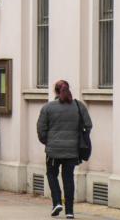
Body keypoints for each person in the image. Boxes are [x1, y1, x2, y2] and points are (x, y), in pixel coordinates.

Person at [36, 79, 92, 219]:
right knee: (68, 179)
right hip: (72, 151)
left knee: (51, 174)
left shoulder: (47, 108)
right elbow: (88, 125)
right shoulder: (79, 106)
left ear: (55, 91)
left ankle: (56, 202)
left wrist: (47, 142)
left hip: (53, 151)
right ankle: (69, 211)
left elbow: (41, 130)